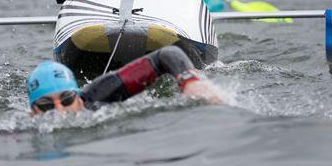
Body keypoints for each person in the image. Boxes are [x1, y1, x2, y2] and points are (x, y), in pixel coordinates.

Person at [27, 46, 228, 114]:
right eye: (46, 106)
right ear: (32, 111)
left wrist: (189, 80)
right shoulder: (21, 129)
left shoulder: (100, 94)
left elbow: (166, 54)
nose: (60, 111)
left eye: (67, 99)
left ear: (78, 95)